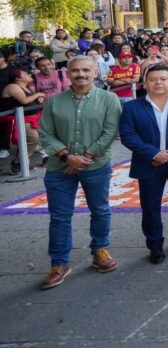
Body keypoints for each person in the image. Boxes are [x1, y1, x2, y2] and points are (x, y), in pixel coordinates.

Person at [36, 56, 122, 289]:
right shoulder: (54, 102)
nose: (81, 74)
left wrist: (85, 157)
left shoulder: (109, 99)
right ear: (67, 74)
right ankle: (59, 263)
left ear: (96, 73)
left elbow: (110, 132)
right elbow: (45, 133)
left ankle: (100, 250)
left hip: (96, 166)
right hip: (59, 168)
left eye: (86, 70)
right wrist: (67, 157)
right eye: (75, 70)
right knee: (59, 217)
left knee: (100, 209)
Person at [118, 65, 168, 264]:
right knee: (150, 205)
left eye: (163, 79)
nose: (158, 83)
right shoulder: (132, 107)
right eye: (153, 79)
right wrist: (154, 153)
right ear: (145, 83)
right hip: (148, 163)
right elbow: (128, 135)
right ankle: (154, 243)